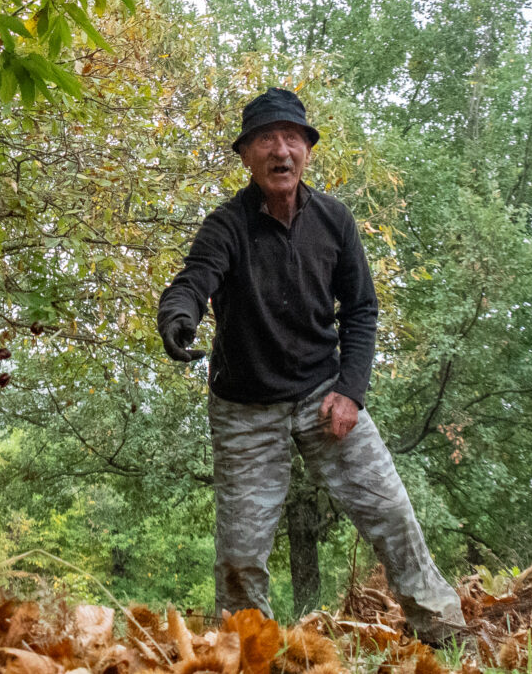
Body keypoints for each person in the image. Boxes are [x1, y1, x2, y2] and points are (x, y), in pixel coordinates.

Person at [157, 88, 467, 641]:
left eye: (292, 138)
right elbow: (194, 279)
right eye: (267, 140)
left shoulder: (334, 220)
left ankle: (442, 628)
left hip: (325, 396)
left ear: (306, 150)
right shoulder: (225, 226)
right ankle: (251, 650)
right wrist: (178, 316)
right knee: (240, 556)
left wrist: (351, 389)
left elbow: (362, 309)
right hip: (245, 410)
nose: (282, 150)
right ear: (247, 155)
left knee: (392, 514)